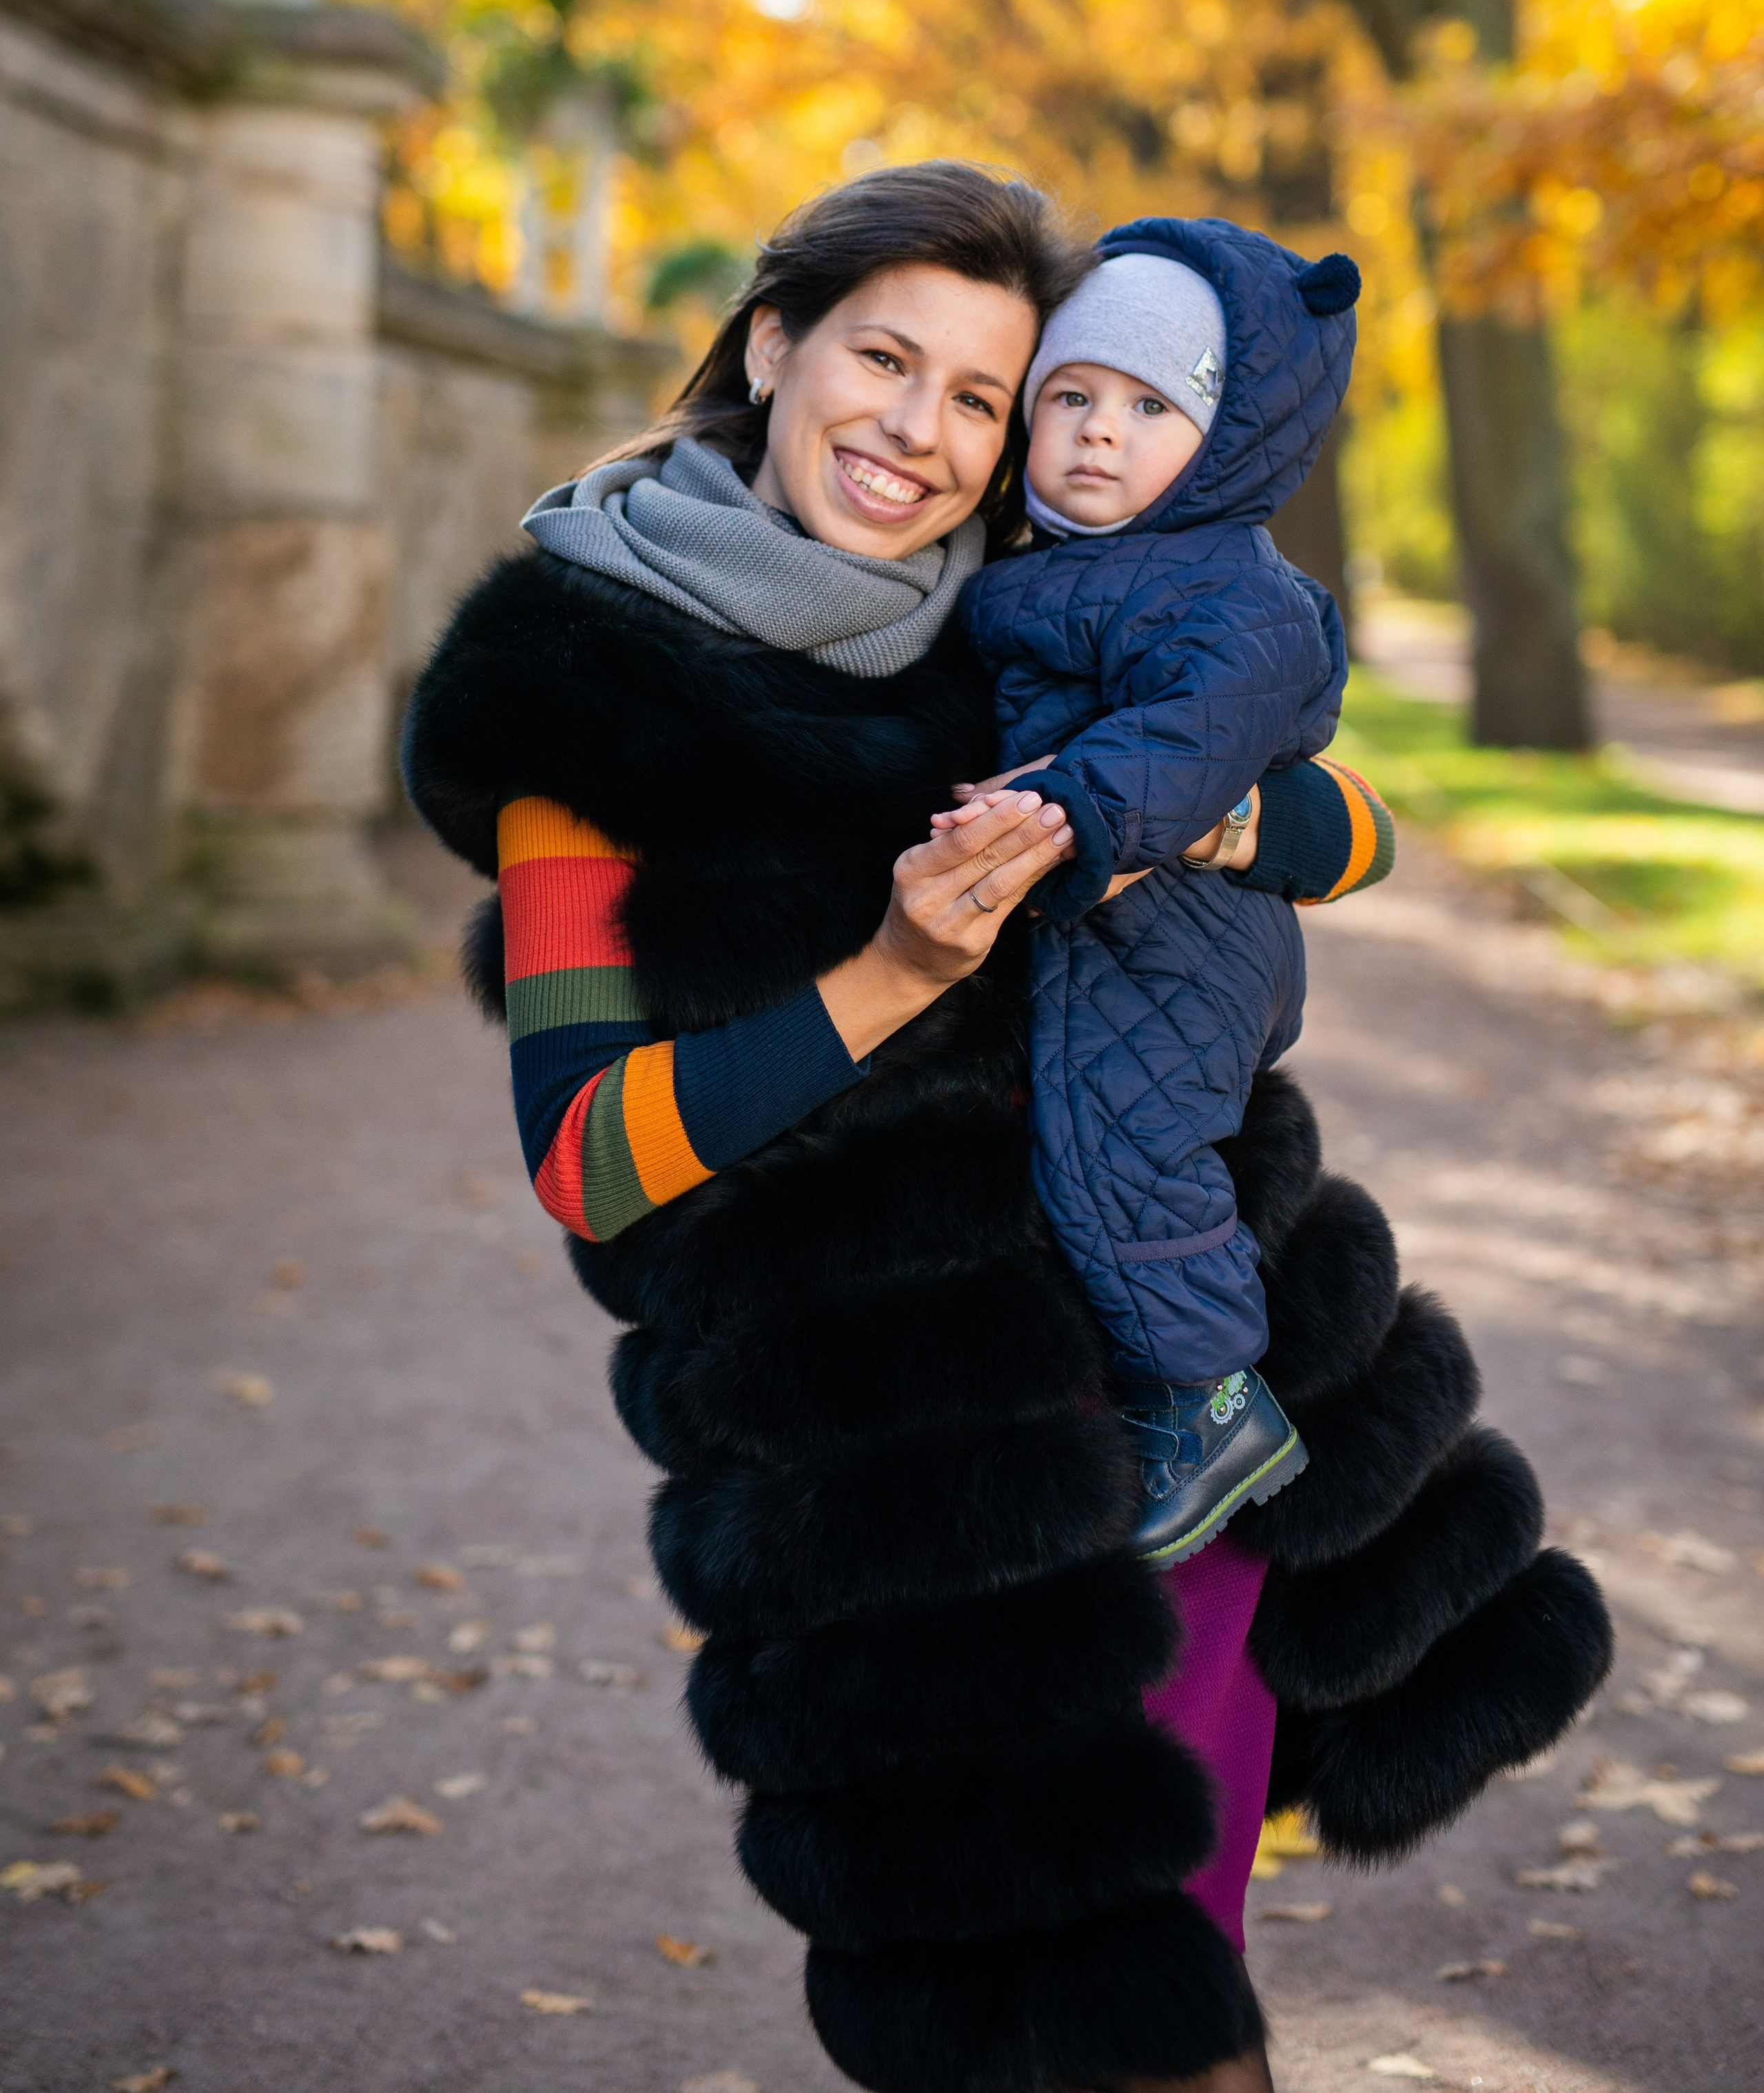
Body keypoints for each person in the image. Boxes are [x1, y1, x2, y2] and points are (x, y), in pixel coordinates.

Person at [402, 161, 1610, 2093]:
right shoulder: (581, 690)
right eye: (886, 357)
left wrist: (1206, 814)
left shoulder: (1038, 614)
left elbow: (1357, 826)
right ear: (777, 340)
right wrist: (889, 968)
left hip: (1186, 1412)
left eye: (984, 395)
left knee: (1186, 1987)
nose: (923, 432)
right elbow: (592, 1156)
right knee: (1042, 2021)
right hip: (903, 1494)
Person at [956, 221, 1392, 1568]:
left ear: (1227, 440)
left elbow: (1197, 741)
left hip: (1177, 930)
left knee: (1116, 1142)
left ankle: (1206, 1399)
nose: (1097, 432)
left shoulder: (1227, 586)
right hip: (1124, 919)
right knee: (1103, 1134)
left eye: (1149, 408)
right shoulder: (1066, 565)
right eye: (1069, 397)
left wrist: (1072, 812)